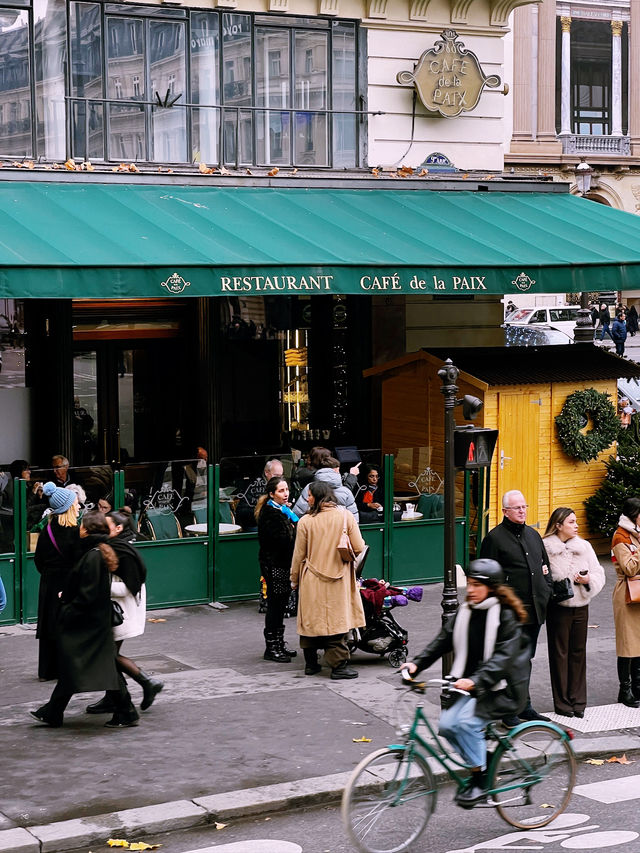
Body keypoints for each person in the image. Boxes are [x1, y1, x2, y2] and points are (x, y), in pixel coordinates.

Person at [401, 559, 529, 807]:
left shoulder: (506, 616)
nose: (470, 590)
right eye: (469, 584)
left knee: (466, 724)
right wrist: (417, 664)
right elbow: (442, 640)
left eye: (477, 585)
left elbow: (502, 660)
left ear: (492, 587)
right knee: (448, 725)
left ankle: (480, 781)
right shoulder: (466, 611)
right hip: (470, 686)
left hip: (502, 688)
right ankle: (481, 761)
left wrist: (475, 680)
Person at [30, 511, 139, 728]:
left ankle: (125, 711)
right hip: (95, 622)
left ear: (86, 530)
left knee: (82, 664)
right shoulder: (100, 551)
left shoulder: (92, 555)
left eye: (82, 525)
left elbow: (88, 592)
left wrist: (67, 597)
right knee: (91, 665)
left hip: (87, 623)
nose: (78, 528)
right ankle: (53, 711)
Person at [479, 490, 553, 725]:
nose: (522, 511)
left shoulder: (533, 535)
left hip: (535, 609)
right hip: (509, 612)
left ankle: (524, 705)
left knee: (525, 659)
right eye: (517, 508)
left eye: (524, 506)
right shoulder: (494, 538)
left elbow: (545, 566)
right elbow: (486, 578)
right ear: (505, 512)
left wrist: (547, 589)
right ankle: (508, 709)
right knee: (509, 660)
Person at [85, 510, 163, 715]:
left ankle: (147, 682)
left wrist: (99, 587)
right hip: (119, 612)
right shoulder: (117, 546)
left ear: (118, 529)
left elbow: (130, 587)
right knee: (110, 655)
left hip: (122, 614)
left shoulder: (121, 550)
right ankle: (113, 697)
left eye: (107, 525)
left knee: (108, 655)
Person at [290, 480, 366, 679]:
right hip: (338, 578)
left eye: (310, 495)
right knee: (337, 623)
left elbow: (298, 555)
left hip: (311, 579)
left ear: (318, 497)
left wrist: (294, 579)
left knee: (310, 621)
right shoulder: (345, 516)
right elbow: (358, 546)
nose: (307, 498)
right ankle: (339, 666)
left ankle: (311, 664)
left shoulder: (305, 522)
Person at [543, 507, 605, 718]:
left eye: (576, 521)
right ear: (558, 525)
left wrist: (588, 581)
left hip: (581, 607)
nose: (576, 525)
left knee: (578, 653)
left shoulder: (585, 546)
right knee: (559, 654)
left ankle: (578, 702)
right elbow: (542, 579)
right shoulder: (546, 547)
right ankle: (562, 703)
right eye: (571, 522)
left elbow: (599, 572)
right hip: (558, 608)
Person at [33, 483, 81, 680]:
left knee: (49, 626)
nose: (79, 507)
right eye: (76, 504)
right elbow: (80, 560)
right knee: (68, 625)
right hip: (68, 581)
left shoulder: (47, 531)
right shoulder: (76, 533)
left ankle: (47, 670)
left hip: (49, 582)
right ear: (68, 507)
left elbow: (38, 560)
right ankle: (67, 667)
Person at [256, 477, 298, 663]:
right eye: (281, 491)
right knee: (275, 604)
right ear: (272, 493)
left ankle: (278, 643)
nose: (286, 493)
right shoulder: (271, 513)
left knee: (281, 604)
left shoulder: (283, 510)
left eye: (286, 489)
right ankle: (272, 646)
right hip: (275, 564)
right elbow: (283, 541)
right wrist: (294, 530)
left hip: (281, 563)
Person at [611, 497, 640, 708]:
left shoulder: (636, 535)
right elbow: (629, 568)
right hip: (626, 593)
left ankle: (638, 686)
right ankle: (625, 689)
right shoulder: (620, 536)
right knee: (627, 643)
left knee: (638, 642)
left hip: (639, 591)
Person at [293, 457, 359, 520]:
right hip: (339, 529)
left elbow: (299, 512)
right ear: (336, 470)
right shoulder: (345, 491)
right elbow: (353, 518)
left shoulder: (310, 487)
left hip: (315, 528)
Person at [235, 457, 284, 530]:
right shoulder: (253, 486)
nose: (279, 479)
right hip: (254, 525)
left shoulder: (280, 486)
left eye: (281, 476)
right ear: (267, 473)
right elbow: (242, 511)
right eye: (276, 476)